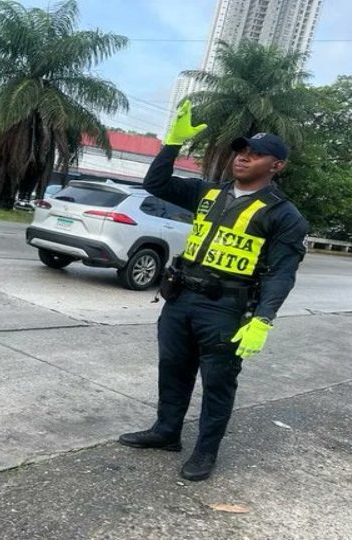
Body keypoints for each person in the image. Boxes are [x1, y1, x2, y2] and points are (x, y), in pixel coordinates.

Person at [119, 100, 309, 481]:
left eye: (256, 155)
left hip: (226, 308)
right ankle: (166, 432)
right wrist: (171, 144)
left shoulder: (284, 215)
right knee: (173, 369)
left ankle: (206, 452)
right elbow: (155, 184)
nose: (243, 158)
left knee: (218, 384)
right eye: (241, 151)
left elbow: (281, 273)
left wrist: (262, 320)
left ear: (276, 166)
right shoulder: (209, 192)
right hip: (181, 298)